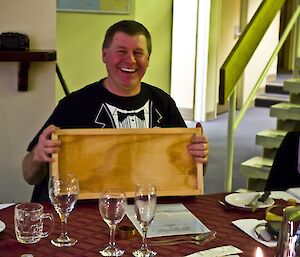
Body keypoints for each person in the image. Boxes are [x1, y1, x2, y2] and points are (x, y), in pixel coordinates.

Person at [22, 20, 209, 202]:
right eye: (121, 52)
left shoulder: (163, 102)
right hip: (90, 217)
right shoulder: (74, 105)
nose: (131, 60)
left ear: (148, 59)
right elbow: (29, 176)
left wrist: (199, 157)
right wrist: (38, 155)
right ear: (104, 55)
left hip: (150, 213)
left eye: (139, 53)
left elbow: (190, 171)